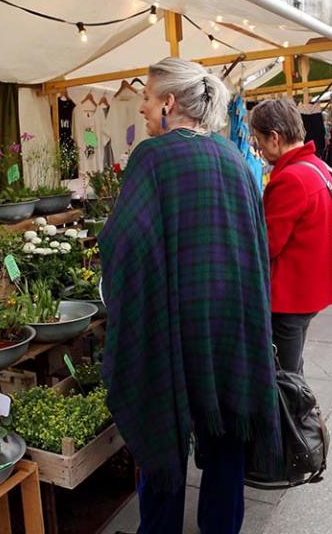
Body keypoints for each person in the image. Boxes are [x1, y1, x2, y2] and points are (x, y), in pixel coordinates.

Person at [99, 58, 280, 534]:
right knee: (224, 438)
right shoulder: (236, 161)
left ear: (169, 103)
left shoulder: (152, 158)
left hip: (174, 325)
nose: (141, 107)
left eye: (146, 97)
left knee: (164, 432)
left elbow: (125, 243)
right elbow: (256, 248)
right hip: (231, 324)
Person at [250, 98, 332, 375]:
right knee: (292, 369)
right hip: (309, 288)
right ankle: (302, 416)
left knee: (285, 380)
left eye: (259, 141)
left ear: (274, 138)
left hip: (289, 294)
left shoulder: (290, 178)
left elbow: (268, 245)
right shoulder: (317, 167)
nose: (259, 149)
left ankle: (299, 419)